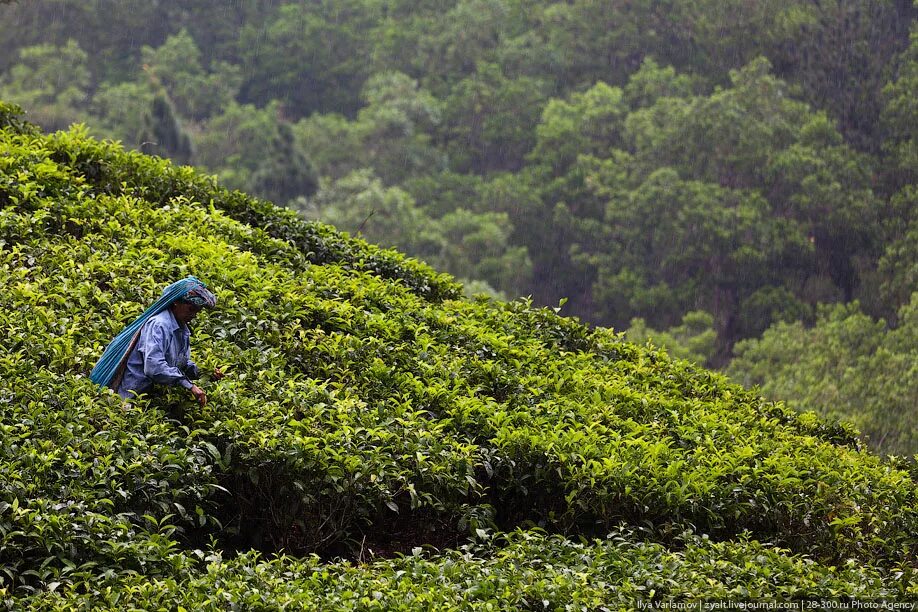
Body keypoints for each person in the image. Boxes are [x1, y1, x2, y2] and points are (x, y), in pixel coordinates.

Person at [91, 276, 221, 406]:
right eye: (191, 309)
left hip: (151, 401)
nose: (193, 315)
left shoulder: (182, 329)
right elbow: (154, 367)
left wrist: (205, 372)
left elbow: (181, 363)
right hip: (129, 400)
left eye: (197, 312)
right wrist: (189, 386)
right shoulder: (159, 325)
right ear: (176, 302)